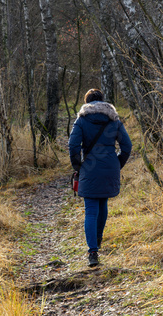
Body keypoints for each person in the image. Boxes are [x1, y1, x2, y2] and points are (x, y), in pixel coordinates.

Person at [68, 89, 132, 267]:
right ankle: (98, 240)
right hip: (110, 167)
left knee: (91, 210)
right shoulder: (114, 120)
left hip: (89, 168)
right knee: (102, 203)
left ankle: (93, 252)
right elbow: (127, 146)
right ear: (103, 101)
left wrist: (78, 166)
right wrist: (117, 164)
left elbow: (73, 145)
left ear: (87, 102)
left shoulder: (81, 120)